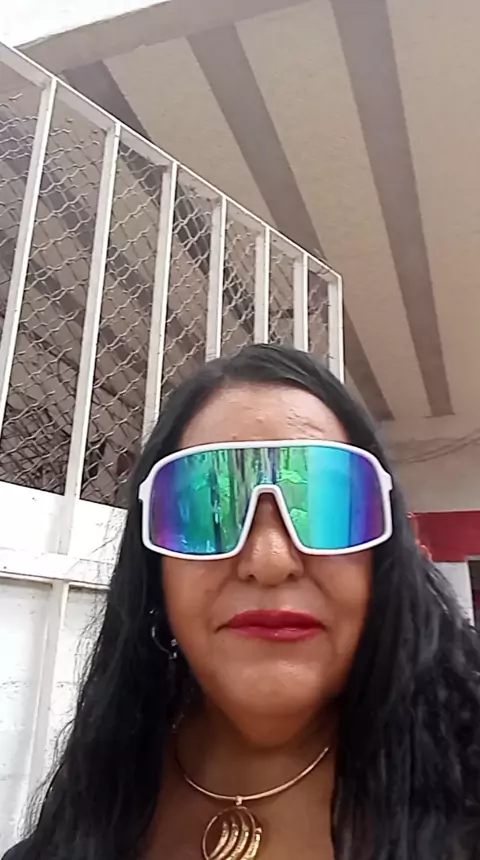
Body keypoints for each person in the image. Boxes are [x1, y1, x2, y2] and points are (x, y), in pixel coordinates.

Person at [4, 343, 480, 860]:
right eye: (210, 509)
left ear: (383, 561)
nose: (270, 560)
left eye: (323, 506)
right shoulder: (82, 816)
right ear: (155, 571)